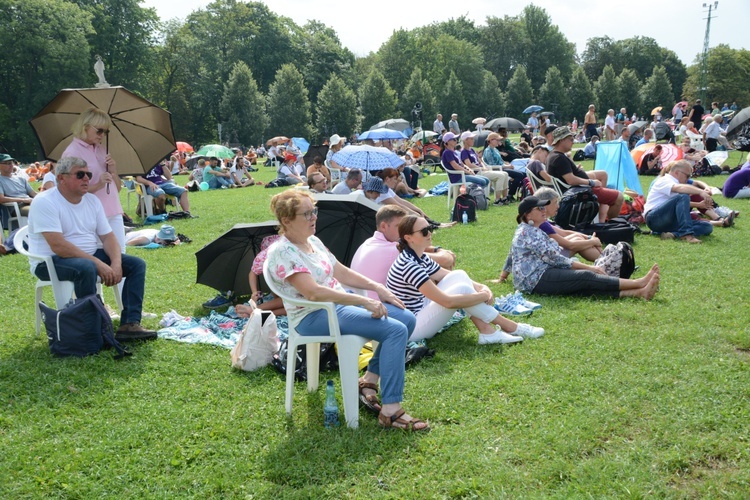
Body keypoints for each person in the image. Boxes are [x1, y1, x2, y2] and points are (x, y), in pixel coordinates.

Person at [265, 190, 428, 432]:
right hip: (313, 315)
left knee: (406, 318)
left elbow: (340, 271)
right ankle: (391, 411)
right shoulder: (283, 252)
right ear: (287, 220)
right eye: (307, 213)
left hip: (337, 306)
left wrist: (376, 287)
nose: (314, 217)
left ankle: (369, 381)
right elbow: (313, 293)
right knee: (394, 330)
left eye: (314, 211)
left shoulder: (313, 241)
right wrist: (362, 302)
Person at [27, 156, 156, 340]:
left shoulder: (92, 201)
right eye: (80, 174)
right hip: (49, 261)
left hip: (86, 256)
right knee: (86, 268)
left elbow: (108, 236)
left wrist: (116, 262)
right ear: (61, 178)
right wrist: (97, 263)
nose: (87, 178)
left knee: (136, 264)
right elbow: (58, 246)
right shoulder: (45, 201)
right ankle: (93, 329)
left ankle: (129, 324)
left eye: (89, 174)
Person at [386, 214, 544, 343]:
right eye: (424, 231)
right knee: (460, 290)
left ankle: (488, 332)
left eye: (430, 228)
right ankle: (510, 327)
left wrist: (481, 287)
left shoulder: (418, 256)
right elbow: (448, 302)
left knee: (459, 275)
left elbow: (449, 275)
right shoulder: (409, 265)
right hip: (412, 327)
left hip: (420, 310)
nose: (430, 233)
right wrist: (480, 296)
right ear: (408, 238)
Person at [501, 196, 660, 299]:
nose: (544, 211)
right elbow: (555, 259)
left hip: (539, 274)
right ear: (528, 215)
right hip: (534, 279)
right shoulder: (529, 233)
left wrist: (502, 277)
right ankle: (639, 283)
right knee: (586, 276)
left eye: (544, 207)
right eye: (540, 208)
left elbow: (511, 254)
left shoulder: (529, 229)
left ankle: (638, 293)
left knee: (581, 286)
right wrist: (590, 268)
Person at [351, 206, 456, 300]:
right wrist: (444, 252)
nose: (404, 230)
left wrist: (435, 249)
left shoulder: (369, 242)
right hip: (381, 306)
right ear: (383, 226)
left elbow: (412, 247)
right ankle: (452, 299)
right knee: (429, 270)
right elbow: (445, 260)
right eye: (400, 226)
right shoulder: (393, 251)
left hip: (361, 301)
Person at [59, 108, 128, 251]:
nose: (102, 135)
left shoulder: (102, 149)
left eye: (106, 131)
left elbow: (117, 188)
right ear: (86, 127)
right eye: (99, 131)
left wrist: (114, 171)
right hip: (91, 212)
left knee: (120, 253)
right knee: (98, 254)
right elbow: (68, 190)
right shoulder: (73, 152)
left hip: (113, 209)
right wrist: (97, 185)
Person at [546, 126, 624, 222]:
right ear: (561, 140)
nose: (573, 141)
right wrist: (591, 182)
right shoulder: (559, 158)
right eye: (570, 139)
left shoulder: (553, 155)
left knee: (603, 176)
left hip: (576, 191)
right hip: (580, 193)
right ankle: (612, 224)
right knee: (619, 197)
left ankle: (602, 219)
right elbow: (571, 180)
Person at [643, 160, 713, 243]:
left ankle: (673, 234)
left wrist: (700, 200)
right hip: (654, 218)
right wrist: (701, 192)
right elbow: (679, 189)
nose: (688, 179)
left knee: (707, 226)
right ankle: (687, 235)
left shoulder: (674, 182)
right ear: (677, 172)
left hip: (667, 219)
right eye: (687, 176)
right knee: (683, 196)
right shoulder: (664, 180)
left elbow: (680, 203)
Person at [459, 131, 509, 205]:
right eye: (471, 139)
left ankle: (504, 197)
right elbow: (469, 165)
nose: (473, 140)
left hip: (481, 170)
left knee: (505, 174)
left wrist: (485, 167)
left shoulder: (472, 150)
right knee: (501, 176)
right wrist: (482, 168)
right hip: (476, 172)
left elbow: (480, 161)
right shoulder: (464, 152)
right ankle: (497, 200)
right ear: (466, 140)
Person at [482, 132, 525, 202]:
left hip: (502, 168)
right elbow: (492, 165)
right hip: (497, 169)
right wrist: (507, 166)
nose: (499, 142)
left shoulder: (495, 150)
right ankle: (510, 194)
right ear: (491, 140)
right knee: (519, 175)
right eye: (497, 140)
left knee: (523, 174)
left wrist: (507, 165)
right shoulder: (488, 151)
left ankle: (509, 195)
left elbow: (501, 161)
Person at [0, 153, 37, 218]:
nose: (11, 165)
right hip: (18, 207)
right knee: (37, 211)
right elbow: (1, 199)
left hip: (31, 202)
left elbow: (33, 194)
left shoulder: (21, 179)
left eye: (11, 163)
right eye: (7, 163)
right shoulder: (1, 180)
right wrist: (23, 200)